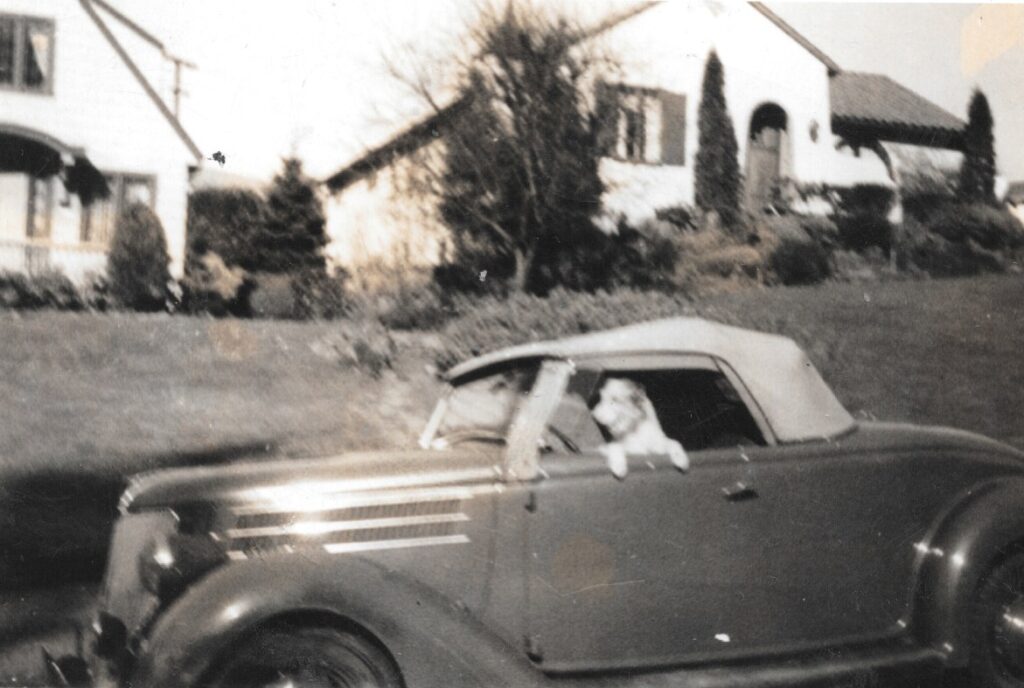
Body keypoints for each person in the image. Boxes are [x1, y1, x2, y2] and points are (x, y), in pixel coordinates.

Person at [589, 377, 690, 479]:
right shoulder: (620, 438)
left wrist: (674, 447)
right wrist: (615, 451)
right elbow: (603, 450)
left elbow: (662, 446)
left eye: (615, 400)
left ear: (636, 404)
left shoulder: (649, 430)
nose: (597, 412)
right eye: (604, 399)